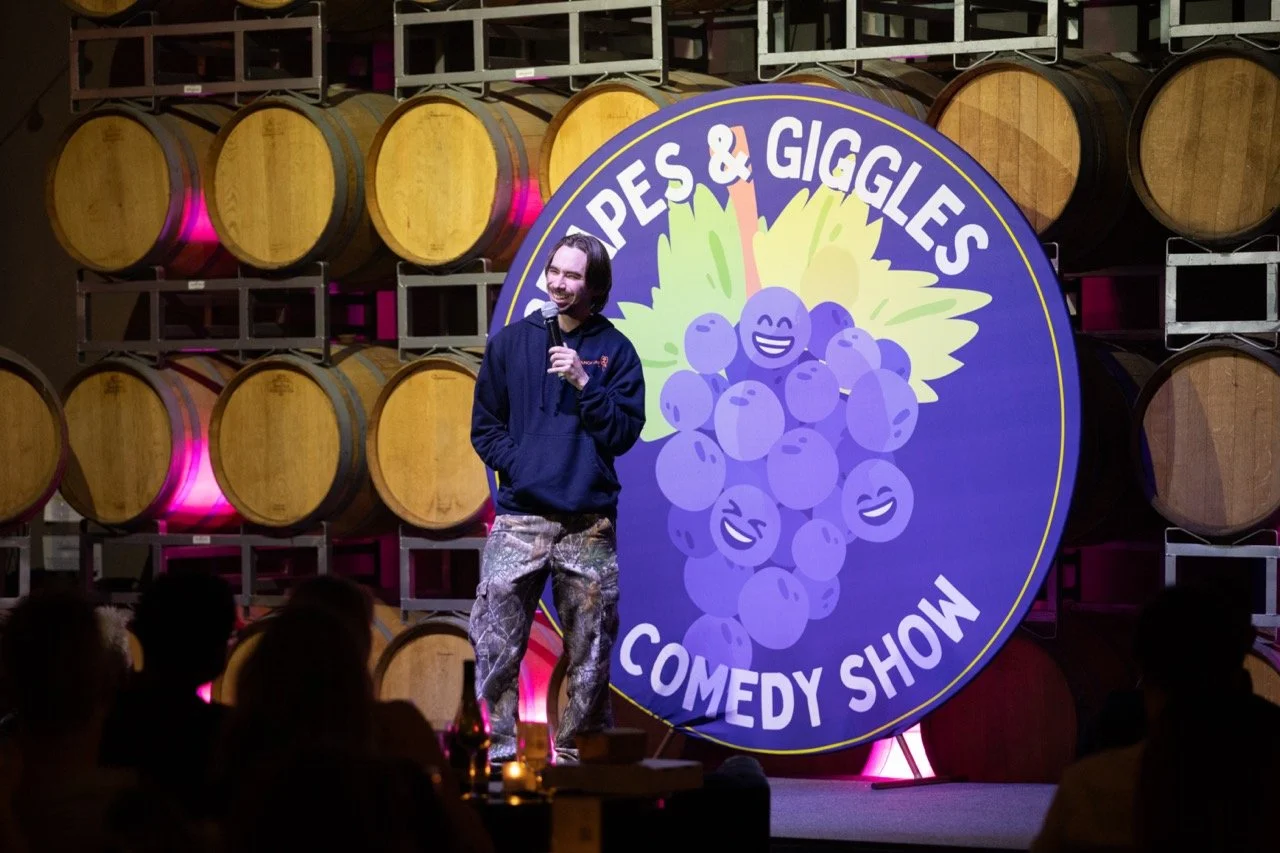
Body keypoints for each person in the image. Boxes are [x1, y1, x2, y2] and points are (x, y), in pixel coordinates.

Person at [469, 232, 645, 763]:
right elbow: (485, 427)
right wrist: (523, 464)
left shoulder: (615, 351)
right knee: (495, 640)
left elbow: (622, 434)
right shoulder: (510, 344)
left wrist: (584, 384)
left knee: (590, 649)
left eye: (573, 276)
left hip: (587, 522)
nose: (560, 283)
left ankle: (575, 754)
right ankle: (499, 751)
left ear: (595, 287)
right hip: (521, 516)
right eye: (555, 271)